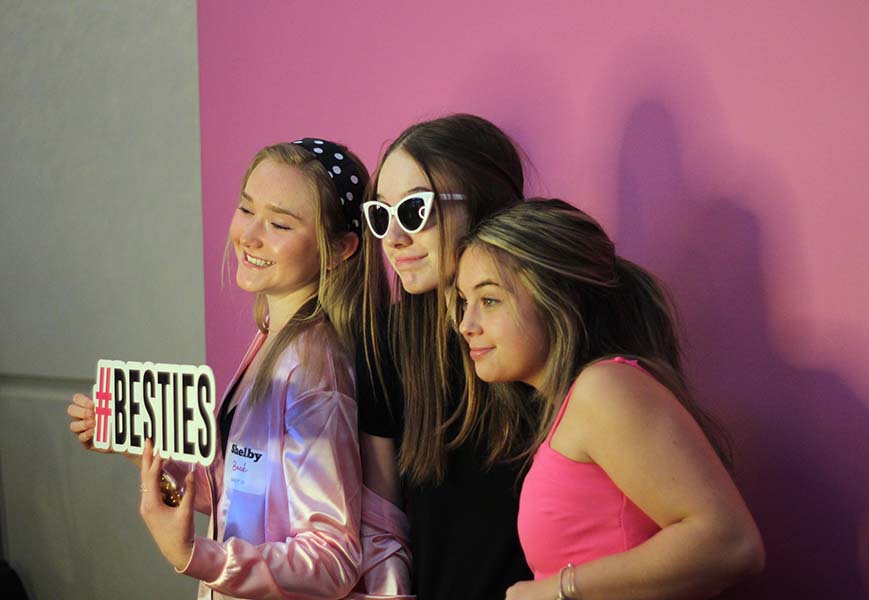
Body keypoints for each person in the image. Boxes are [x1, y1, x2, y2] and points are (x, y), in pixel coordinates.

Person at [67, 139, 412, 600]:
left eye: (279, 224)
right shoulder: (278, 338)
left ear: (339, 249)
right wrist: (142, 448)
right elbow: (249, 493)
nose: (249, 235)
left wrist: (193, 554)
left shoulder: (314, 371)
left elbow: (332, 559)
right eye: (247, 209)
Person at [454, 199, 765, 600]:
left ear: (556, 299)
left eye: (490, 300)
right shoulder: (574, 405)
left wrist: (551, 591)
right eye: (464, 302)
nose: (466, 325)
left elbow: (731, 543)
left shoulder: (605, 390)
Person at [356, 114, 533, 599]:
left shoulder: (545, 333)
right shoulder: (385, 342)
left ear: (483, 203)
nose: (393, 238)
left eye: (414, 211)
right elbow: (382, 524)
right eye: (380, 215)